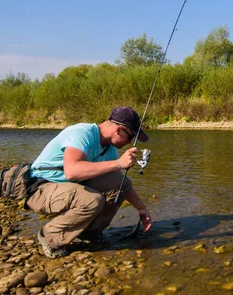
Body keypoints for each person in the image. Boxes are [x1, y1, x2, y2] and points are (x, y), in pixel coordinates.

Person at [27, 106, 153, 258]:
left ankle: (89, 233)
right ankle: (51, 236)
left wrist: (141, 208)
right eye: (130, 137)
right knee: (92, 200)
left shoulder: (109, 150)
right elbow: (72, 171)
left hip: (69, 188)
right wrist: (118, 163)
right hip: (40, 188)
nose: (130, 142)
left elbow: (119, 183)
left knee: (121, 183)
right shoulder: (81, 133)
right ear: (119, 130)